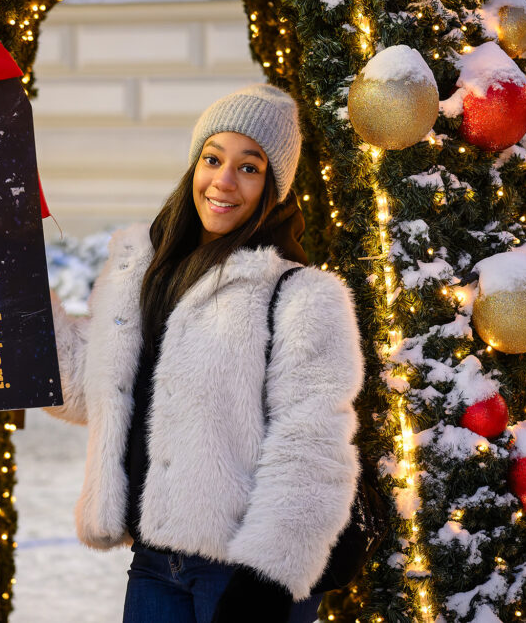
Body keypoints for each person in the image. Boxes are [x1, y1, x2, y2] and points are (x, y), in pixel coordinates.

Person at [46, 83, 364, 623]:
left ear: (274, 186)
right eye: (213, 158)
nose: (223, 181)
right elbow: (88, 388)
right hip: (152, 563)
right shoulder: (144, 270)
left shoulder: (301, 295)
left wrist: (266, 581)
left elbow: (311, 446)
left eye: (249, 167)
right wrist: (19, 290)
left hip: (243, 573)